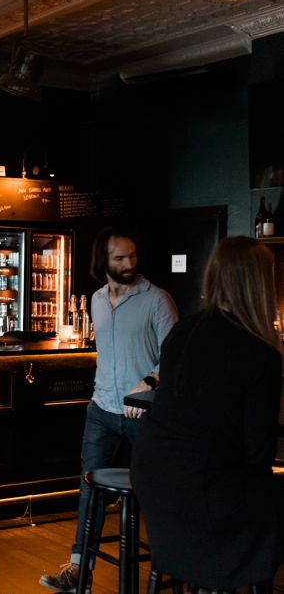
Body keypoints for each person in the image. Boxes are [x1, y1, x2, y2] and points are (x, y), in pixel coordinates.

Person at [131, 237, 283, 593]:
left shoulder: (183, 332)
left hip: (155, 483)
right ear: (261, 285)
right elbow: (258, 453)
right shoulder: (261, 355)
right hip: (208, 494)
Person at [40, 226, 178, 592]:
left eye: (133, 256)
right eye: (120, 258)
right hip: (102, 409)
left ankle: (171, 563)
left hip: (143, 414)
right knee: (90, 487)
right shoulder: (97, 300)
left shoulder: (157, 300)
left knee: (156, 492)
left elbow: (177, 357)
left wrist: (148, 383)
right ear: (103, 261)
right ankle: (78, 570)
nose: (129, 263)